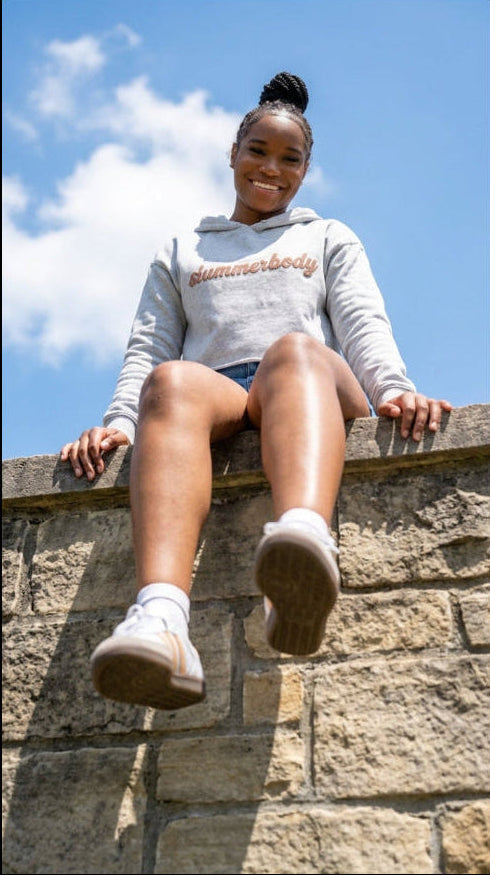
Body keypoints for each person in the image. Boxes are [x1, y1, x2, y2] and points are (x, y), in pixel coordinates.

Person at [60, 71, 452, 712]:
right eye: (258, 152)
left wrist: (396, 390)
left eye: (289, 159)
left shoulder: (326, 236)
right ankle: (161, 621)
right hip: (218, 394)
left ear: (305, 170)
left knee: (292, 350)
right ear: (233, 154)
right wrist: (119, 427)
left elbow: (362, 325)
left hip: (305, 384)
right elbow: (148, 350)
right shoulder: (183, 248)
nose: (271, 168)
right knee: (169, 380)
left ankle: (302, 543)